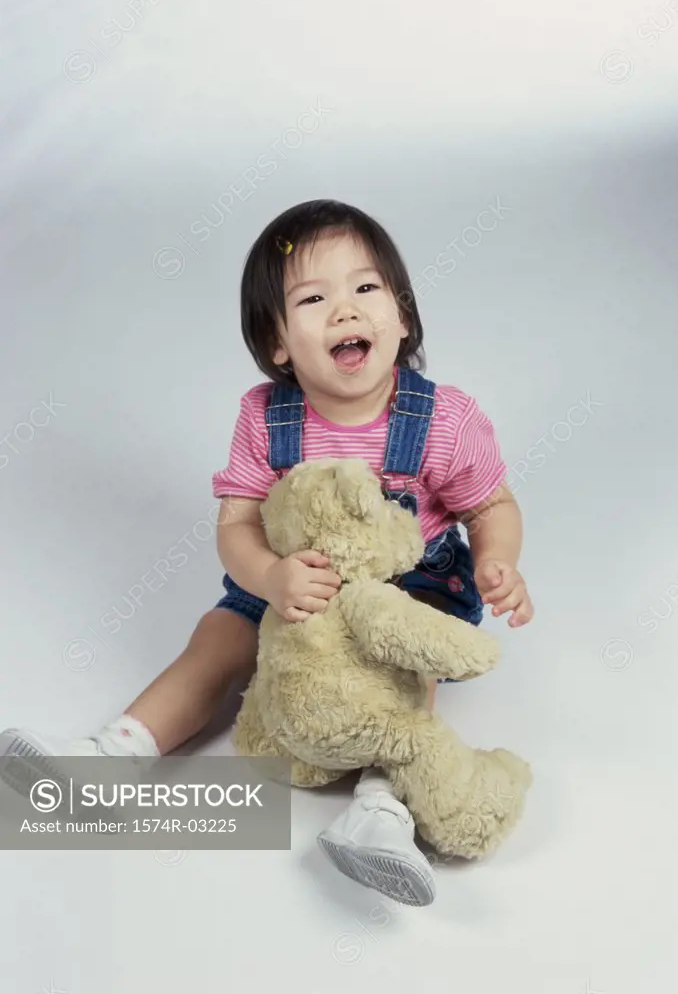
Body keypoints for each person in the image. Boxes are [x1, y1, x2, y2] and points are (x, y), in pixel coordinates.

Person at [0, 199, 534, 905]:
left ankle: (382, 813)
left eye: (366, 289)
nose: (346, 311)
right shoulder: (265, 416)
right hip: (290, 584)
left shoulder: (443, 419)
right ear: (277, 340)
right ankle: (113, 756)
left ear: (403, 317)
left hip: (409, 589)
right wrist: (268, 578)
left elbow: (490, 504)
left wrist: (500, 561)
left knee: (406, 675)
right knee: (215, 640)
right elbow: (237, 527)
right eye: (314, 299)